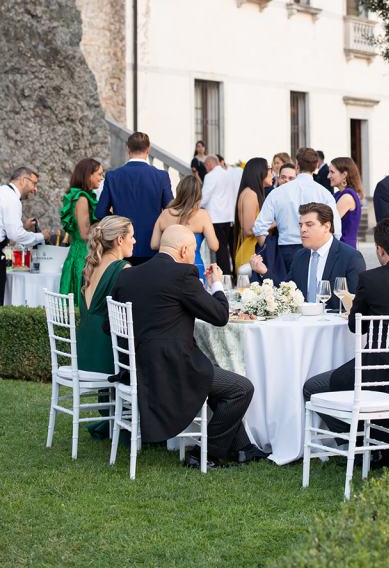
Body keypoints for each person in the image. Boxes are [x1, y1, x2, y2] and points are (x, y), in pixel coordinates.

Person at [110, 225, 264, 468]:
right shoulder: (182, 275)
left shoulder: (127, 275)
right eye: (193, 250)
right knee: (241, 388)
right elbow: (220, 316)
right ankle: (206, 453)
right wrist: (216, 284)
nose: (194, 255)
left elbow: (109, 327)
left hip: (136, 367)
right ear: (183, 250)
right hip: (171, 369)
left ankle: (244, 448)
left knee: (216, 376)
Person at [302, 219, 389, 452]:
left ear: (380, 249)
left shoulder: (371, 280)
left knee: (312, 388)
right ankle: (380, 440)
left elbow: (356, 327)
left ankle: (357, 444)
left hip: (377, 373)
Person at [250, 203, 366, 310]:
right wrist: (264, 272)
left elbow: (357, 304)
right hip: (302, 323)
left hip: (335, 324)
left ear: (326, 227)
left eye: (309, 225)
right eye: (301, 225)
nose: (303, 229)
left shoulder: (351, 257)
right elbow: (286, 292)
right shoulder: (300, 256)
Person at [251, 147, 341, 274]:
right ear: (316, 166)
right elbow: (336, 230)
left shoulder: (278, 192)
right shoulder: (324, 193)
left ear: (297, 165)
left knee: (284, 286)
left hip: (285, 249)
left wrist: (270, 251)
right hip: (316, 248)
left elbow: (259, 228)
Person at [95, 132, 173, 264]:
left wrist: (117, 223)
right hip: (152, 244)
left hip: (121, 243)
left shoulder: (113, 176)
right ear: (148, 149)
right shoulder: (161, 176)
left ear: (128, 149)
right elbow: (170, 210)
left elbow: (100, 212)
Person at [77, 216, 134, 374]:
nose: (135, 241)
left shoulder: (89, 267)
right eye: (132, 236)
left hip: (83, 355)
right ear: (120, 240)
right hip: (107, 357)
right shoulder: (123, 268)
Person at [151, 174, 219, 280]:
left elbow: (154, 245)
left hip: (169, 268)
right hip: (194, 266)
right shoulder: (202, 215)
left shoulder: (165, 213)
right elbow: (214, 246)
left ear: (179, 191)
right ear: (198, 194)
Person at [0, 165, 50, 303]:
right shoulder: (12, 199)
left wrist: (23, 227)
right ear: (23, 180)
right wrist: (41, 236)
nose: (35, 189)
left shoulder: (3, 192)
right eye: (34, 183)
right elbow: (16, 235)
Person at [59, 158, 104, 296]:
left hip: (78, 252)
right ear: (88, 175)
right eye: (99, 174)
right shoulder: (82, 198)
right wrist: (105, 224)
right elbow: (85, 233)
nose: (102, 178)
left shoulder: (81, 196)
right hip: (83, 255)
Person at [200, 156, 242, 277]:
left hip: (216, 217)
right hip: (230, 217)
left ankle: (225, 276)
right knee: (232, 248)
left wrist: (197, 206)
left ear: (209, 164)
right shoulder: (229, 175)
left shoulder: (210, 176)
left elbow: (204, 197)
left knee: (221, 249)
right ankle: (236, 274)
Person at [234, 157, 271, 271]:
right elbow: (249, 229)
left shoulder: (250, 193)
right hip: (249, 253)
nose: (272, 172)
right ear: (259, 171)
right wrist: (275, 223)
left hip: (251, 253)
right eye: (268, 168)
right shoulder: (251, 194)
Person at [328, 156, 363, 248]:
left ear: (344, 175)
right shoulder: (338, 194)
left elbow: (329, 222)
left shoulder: (347, 197)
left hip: (345, 247)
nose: (328, 176)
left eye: (332, 172)